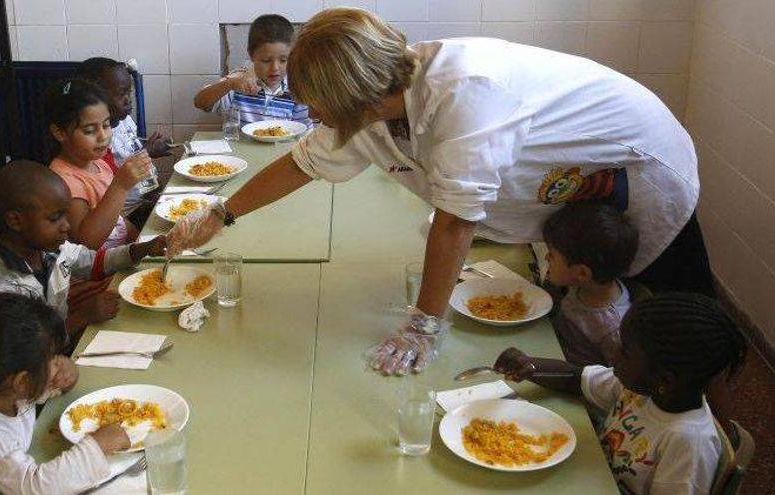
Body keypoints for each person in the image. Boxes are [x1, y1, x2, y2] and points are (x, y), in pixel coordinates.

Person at [173, 7, 714, 375]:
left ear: (355, 93)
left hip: (638, 173)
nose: (311, 113)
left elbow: (457, 221)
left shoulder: (465, 91)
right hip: (569, 195)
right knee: (596, 321)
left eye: (317, 101)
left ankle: (709, 438)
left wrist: (423, 326)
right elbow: (301, 162)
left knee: (678, 337)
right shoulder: (374, 105)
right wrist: (220, 213)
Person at [494, 293, 747, 495]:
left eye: (625, 352)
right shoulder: (642, 389)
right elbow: (576, 378)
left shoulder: (688, 443)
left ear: (665, 379)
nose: (613, 355)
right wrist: (529, 365)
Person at [0, 293, 130, 494]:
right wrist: (98, 446)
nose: (58, 361)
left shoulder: (2, 391)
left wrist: (65, 378)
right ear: (22, 381)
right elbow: (37, 486)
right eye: (51, 358)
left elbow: (41, 393)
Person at [0, 160, 167, 337]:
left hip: (56, 347)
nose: (67, 226)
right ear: (15, 220)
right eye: (55, 218)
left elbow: (96, 263)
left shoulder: (49, 248)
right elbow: (20, 353)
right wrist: (82, 317)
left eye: (65, 215)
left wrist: (143, 249)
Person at [45, 77, 151, 250]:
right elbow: (87, 244)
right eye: (89, 130)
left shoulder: (98, 163)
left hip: (121, 257)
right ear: (60, 133)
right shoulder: (64, 181)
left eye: (106, 125)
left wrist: (143, 244)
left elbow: (118, 221)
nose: (103, 136)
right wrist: (121, 186)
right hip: (98, 273)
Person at [543, 201, 638, 366]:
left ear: (582, 273)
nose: (546, 258)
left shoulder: (612, 329)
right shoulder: (581, 285)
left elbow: (618, 380)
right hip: (549, 345)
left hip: (572, 382)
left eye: (551, 255)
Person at [76, 57, 171, 220]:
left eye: (129, 92)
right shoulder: (99, 137)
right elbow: (110, 176)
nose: (128, 99)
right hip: (127, 212)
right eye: (121, 94)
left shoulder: (123, 120)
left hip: (146, 197)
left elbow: (127, 146)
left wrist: (147, 146)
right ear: (94, 96)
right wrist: (147, 152)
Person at [193, 14, 311, 126]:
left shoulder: (295, 89)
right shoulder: (238, 81)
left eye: (283, 60)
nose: (275, 68)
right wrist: (229, 84)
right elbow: (200, 103)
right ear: (251, 55)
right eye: (266, 60)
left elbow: (303, 132)